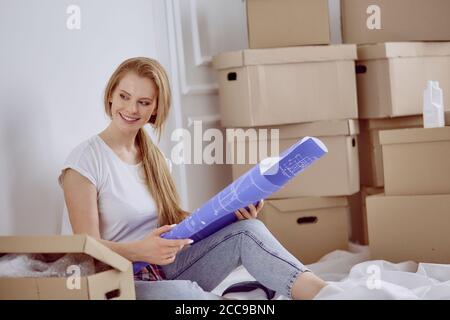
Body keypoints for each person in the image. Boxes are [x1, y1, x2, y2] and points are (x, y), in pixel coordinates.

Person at [58, 57, 327, 300]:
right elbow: (87, 251)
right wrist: (141, 251)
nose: (131, 108)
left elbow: (173, 225)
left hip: (161, 268)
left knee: (249, 231)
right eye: (124, 96)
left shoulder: (156, 159)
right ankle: (243, 297)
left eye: (144, 102)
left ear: (155, 109)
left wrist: (231, 216)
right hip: (115, 283)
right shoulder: (85, 160)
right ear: (110, 97)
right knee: (186, 295)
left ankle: (326, 294)